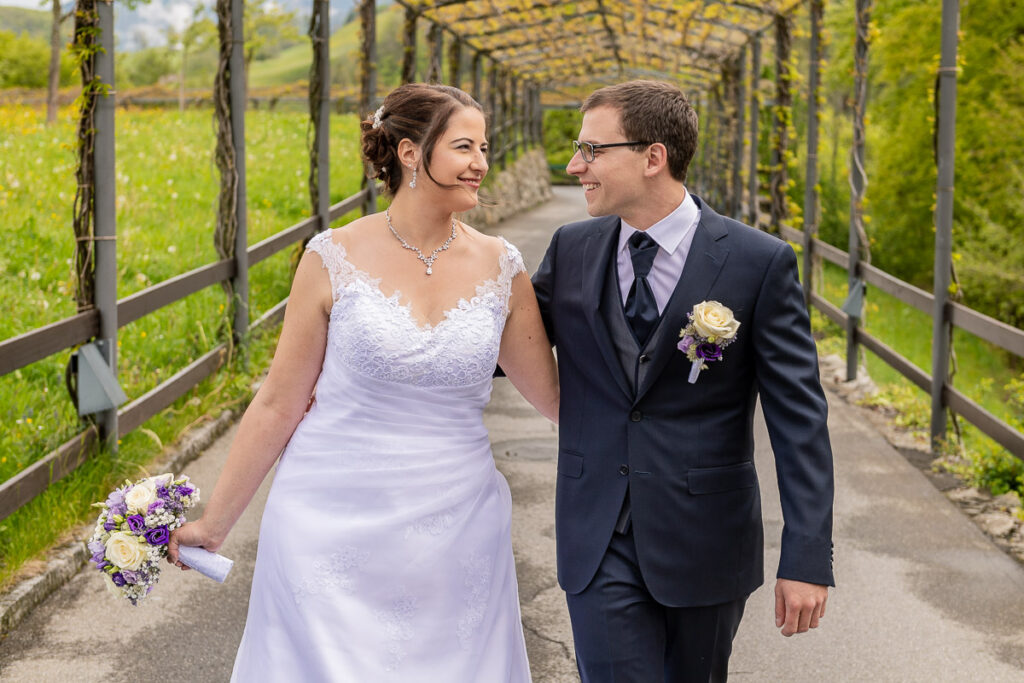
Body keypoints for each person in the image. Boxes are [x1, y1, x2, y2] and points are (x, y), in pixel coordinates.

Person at [168, 83, 557, 682]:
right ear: (409, 152)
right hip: (326, 523)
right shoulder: (332, 257)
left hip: (458, 531)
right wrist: (214, 524)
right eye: (464, 147)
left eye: (484, 147)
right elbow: (277, 404)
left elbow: (556, 399)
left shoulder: (502, 266)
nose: (481, 162)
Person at [531, 80, 835, 682]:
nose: (574, 166)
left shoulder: (758, 262)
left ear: (653, 157)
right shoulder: (572, 249)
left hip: (707, 538)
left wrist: (806, 557)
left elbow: (799, 421)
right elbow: (498, 350)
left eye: (592, 150)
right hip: (598, 534)